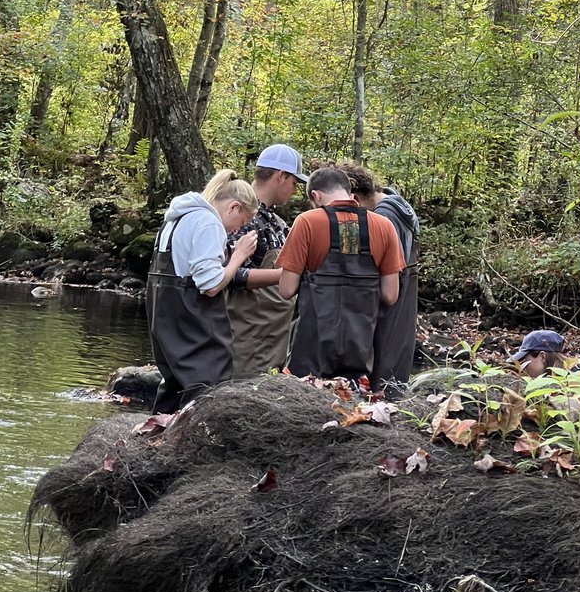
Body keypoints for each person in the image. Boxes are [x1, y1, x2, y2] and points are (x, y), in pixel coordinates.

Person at [146, 171, 265, 413]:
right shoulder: (208, 222)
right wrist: (239, 256)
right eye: (242, 221)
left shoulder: (175, 219)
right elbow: (210, 286)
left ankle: (158, 444)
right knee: (205, 394)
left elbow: (186, 268)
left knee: (172, 389)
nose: (236, 231)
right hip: (194, 330)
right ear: (233, 207)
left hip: (164, 322)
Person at [277, 166, 404, 380]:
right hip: (360, 352)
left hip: (310, 354)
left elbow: (286, 290)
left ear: (315, 196)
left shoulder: (307, 222)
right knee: (352, 408)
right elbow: (390, 295)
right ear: (350, 193)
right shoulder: (384, 226)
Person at [227, 143, 308, 377]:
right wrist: (287, 276)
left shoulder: (275, 223)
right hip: (246, 341)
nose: (295, 190)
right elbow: (229, 276)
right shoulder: (243, 216)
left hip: (272, 340)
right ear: (281, 176)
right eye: (294, 183)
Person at [340, 162, 419, 390]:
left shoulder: (385, 217)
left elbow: (386, 268)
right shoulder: (395, 201)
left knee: (386, 358)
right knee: (395, 355)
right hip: (403, 292)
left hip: (393, 295)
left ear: (354, 196)